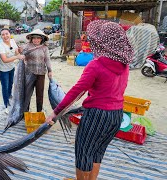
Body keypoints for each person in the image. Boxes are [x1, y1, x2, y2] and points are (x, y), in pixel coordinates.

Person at [46, 20, 134, 180]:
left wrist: (55, 112)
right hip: (116, 115)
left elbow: (76, 91)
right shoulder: (124, 64)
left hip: (97, 116)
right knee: (97, 152)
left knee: (83, 153)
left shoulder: (96, 65)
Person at [22, 29, 52, 112]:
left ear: (41, 39)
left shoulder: (44, 48)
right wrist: (20, 51)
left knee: (40, 94)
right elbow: (22, 55)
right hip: (29, 73)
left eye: (38, 38)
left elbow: (47, 59)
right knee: (27, 93)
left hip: (41, 74)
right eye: (34, 38)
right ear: (31, 38)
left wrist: (50, 70)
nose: (36, 40)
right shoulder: (27, 46)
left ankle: (39, 111)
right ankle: (25, 111)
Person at [0, 28, 25, 114]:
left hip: (11, 68)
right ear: (1, 36)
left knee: (10, 85)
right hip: (3, 70)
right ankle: (6, 105)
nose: (5, 36)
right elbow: (4, 60)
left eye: (7, 34)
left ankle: (9, 100)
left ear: (10, 34)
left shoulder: (13, 41)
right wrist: (17, 57)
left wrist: (19, 52)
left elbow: (17, 52)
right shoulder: (0, 45)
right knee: (5, 87)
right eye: (3, 34)